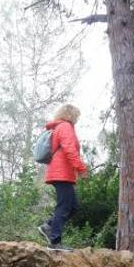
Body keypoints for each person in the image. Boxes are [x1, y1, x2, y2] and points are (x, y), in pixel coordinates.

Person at [37, 104, 87, 251]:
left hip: (61, 172)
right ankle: (54, 242)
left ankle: (48, 226)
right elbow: (69, 150)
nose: (77, 119)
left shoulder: (59, 127)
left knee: (72, 207)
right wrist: (81, 168)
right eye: (76, 115)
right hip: (61, 172)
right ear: (70, 114)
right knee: (64, 206)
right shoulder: (65, 127)